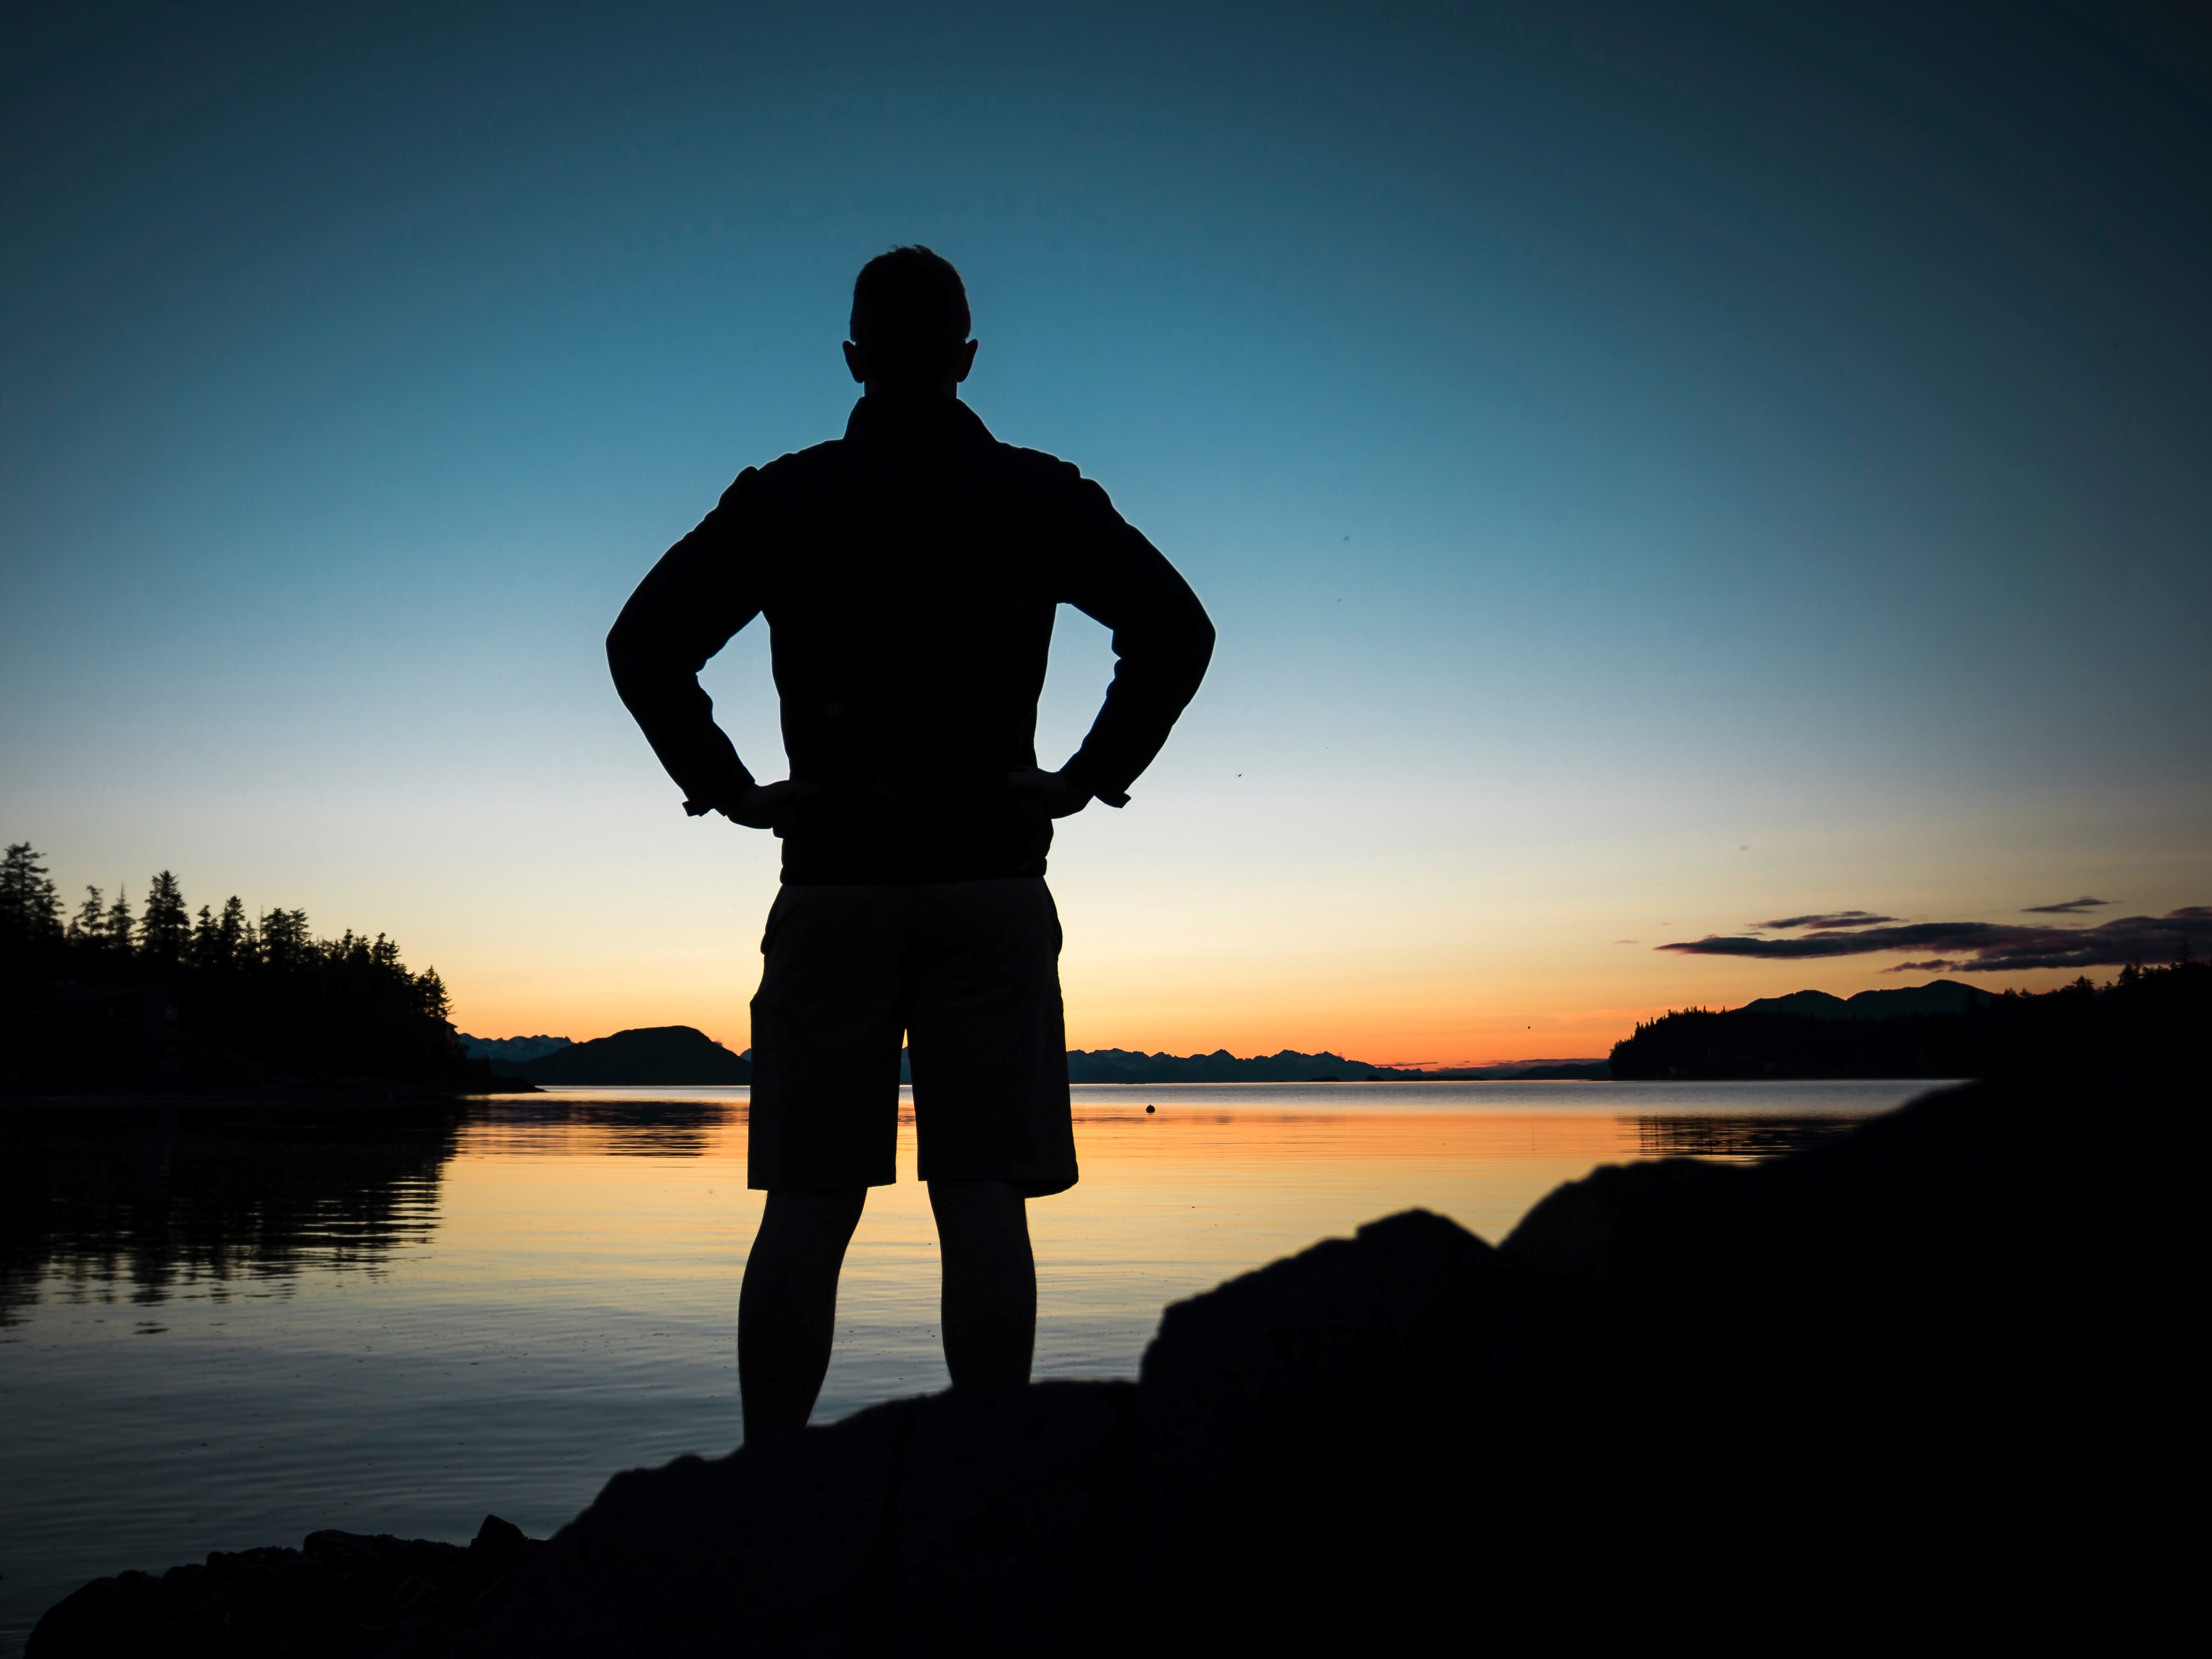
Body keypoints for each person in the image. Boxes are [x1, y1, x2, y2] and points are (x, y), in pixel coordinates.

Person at [607, 246, 1214, 1437]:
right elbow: (1175, 631)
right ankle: (984, 1489)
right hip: (990, 879)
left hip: (833, 881)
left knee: (807, 1202)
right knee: (983, 1193)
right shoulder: (1034, 495)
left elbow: (645, 645)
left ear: (852, 361)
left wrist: (729, 790)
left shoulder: (787, 499)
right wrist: (1087, 779)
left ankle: (769, 1490)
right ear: (967, 360)